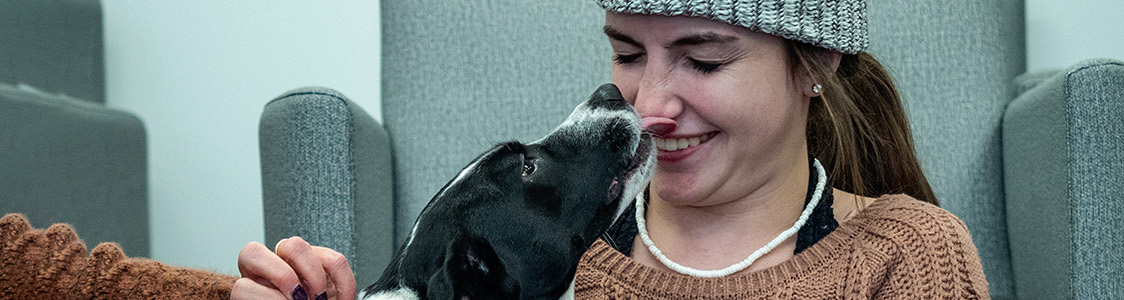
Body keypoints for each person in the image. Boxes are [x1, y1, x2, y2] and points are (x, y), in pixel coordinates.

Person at [232, 0, 990, 299]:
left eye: (704, 60)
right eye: (628, 53)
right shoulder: (533, 262)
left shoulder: (906, 256)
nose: (650, 105)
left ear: (816, 63)